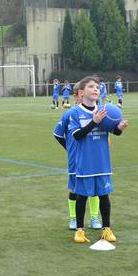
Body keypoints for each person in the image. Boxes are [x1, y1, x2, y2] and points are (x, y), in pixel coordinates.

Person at [66, 76, 129, 244]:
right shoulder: (75, 113)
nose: (96, 89)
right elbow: (77, 135)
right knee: (82, 196)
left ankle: (106, 229)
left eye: (98, 87)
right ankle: (80, 230)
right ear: (81, 92)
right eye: (92, 86)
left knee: (104, 196)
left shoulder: (103, 110)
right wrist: (94, 122)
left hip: (102, 161)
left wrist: (119, 129)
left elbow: (112, 131)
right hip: (85, 162)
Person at [54, 87, 102, 231]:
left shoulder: (96, 112)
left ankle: (94, 217)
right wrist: (69, 149)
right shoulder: (69, 114)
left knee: (95, 189)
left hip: (92, 158)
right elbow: (57, 134)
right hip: (76, 159)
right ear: (77, 96)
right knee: (75, 189)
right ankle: (74, 219)